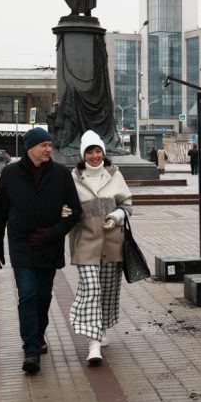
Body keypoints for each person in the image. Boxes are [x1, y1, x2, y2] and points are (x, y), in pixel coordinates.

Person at [0, 127, 82, 375]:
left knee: (43, 296)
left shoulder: (61, 174)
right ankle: (31, 349)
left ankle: (38, 335)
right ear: (30, 148)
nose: (49, 149)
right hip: (21, 245)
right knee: (27, 295)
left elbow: (75, 211)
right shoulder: (10, 174)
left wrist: (53, 233)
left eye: (50, 145)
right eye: (44, 146)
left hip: (49, 245)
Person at [69, 130, 133, 365]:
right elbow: (66, 207)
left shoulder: (115, 175)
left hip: (112, 243)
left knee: (107, 291)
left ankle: (102, 329)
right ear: (83, 154)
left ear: (104, 153)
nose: (94, 156)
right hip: (85, 243)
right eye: (90, 152)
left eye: (98, 151)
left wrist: (115, 217)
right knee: (92, 288)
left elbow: (127, 205)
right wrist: (65, 213)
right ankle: (93, 344)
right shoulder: (73, 178)